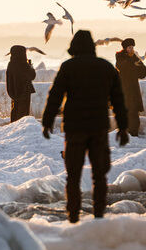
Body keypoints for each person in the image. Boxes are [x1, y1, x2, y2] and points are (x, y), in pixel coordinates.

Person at [42, 30, 129, 223]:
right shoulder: (105, 67)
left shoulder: (68, 67)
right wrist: (123, 127)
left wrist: (47, 122)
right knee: (100, 175)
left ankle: (73, 216)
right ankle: (99, 216)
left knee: (73, 175)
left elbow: (55, 96)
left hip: (74, 128)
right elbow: (118, 100)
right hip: (98, 127)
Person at [114, 37, 146, 136]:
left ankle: (133, 134)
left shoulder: (135, 57)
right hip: (123, 89)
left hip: (134, 89)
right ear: (125, 48)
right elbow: (120, 66)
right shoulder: (120, 56)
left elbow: (142, 74)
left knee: (134, 112)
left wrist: (140, 66)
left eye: (132, 47)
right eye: (129, 47)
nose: (131, 49)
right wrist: (133, 63)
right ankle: (125, 133)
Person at [5, 44, 36, 122]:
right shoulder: (23, 64)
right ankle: (21, 127)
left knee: (15, 111)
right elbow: (32, 76)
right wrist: (30, 66)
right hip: (24, 92)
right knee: (23, 114)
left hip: (14, 92)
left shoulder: (11, 64)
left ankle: (13, 126)